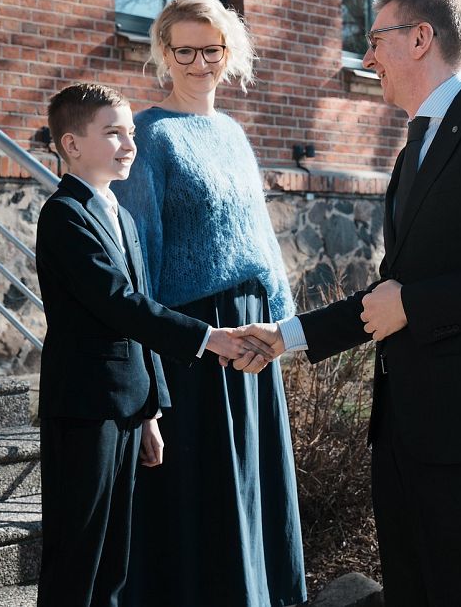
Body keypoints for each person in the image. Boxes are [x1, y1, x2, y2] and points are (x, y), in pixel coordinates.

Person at [239, 0, 461, 607]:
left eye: (375, 39)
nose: (366, 59)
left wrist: (411, 304)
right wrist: (287, 337)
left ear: (420, 39)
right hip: (403, 423)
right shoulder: (416, 142)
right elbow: (393, 292)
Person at [34, 82, 272, 607]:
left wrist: (151, 411)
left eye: (131, 134)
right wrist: (209, 338)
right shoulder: (64, 215)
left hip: (129, 405)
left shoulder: (123, 215)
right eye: (113, 134)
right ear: (71, 144)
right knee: (78, 557)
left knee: (115, 562)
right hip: (85, 409)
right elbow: (120, 304)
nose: (129, 145)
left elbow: (143, 309)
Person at [113, 0, 307, 607]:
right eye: (185, 51)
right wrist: (148, 379)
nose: (200, 63)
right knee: (202, 499)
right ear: (163, 54)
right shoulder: (150, 136)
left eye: (212, 50)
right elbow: (140, 261)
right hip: (191, 344)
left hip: (253, 336)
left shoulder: (233, 132)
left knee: (251, 485)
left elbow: (261, 240)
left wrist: (283, 328)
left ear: (230, 52)